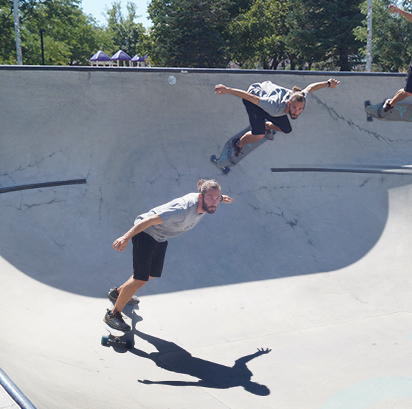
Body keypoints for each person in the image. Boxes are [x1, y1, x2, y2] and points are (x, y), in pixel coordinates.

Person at [104, 179, 233, 331]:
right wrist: (125, 237)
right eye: (210, 198)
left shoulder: (210, 201)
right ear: (200, 197)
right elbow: (149, 220)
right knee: (140, 278)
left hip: (160, 237)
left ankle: (117, 293)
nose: (214, 202)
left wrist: (221, 197)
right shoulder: (182, 210)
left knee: (152, 273)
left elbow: (213, 195)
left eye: (217, 199)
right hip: (146, 232)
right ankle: (113, 315)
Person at [214, 78, 340, 156]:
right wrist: (227, 90)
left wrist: (328, 83)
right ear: (289, 104)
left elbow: (311, 88)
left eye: (300, 109)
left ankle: (266, 124)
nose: (296, 112)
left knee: (286, 129)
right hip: (254, 100)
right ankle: (238, 143)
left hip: (270, 104)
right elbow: (251, 97)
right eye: (294, 108)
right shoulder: (274, 106)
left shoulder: (301, 97)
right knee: (259, 135)